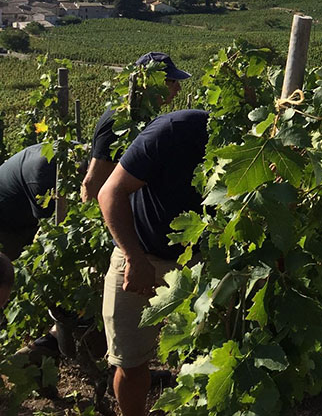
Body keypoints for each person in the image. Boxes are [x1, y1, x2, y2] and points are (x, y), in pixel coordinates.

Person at [97, 108, 208, 416]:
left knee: (210, 355)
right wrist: (133, 257)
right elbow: (109, 193)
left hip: (199, 261)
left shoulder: (261, 140)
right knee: (130, 362)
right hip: (140, 254)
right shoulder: (175, 130)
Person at [82, 52, 190, 202]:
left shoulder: (139, 116)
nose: (178, 88)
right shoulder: (121, 121)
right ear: (151, 83)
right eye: (173, 81)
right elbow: (91, 183)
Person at [0, 144, 57, 259]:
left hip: (20, 209)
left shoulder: (73, 155)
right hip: (7, 224)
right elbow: (48, 232)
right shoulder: (43, 176)